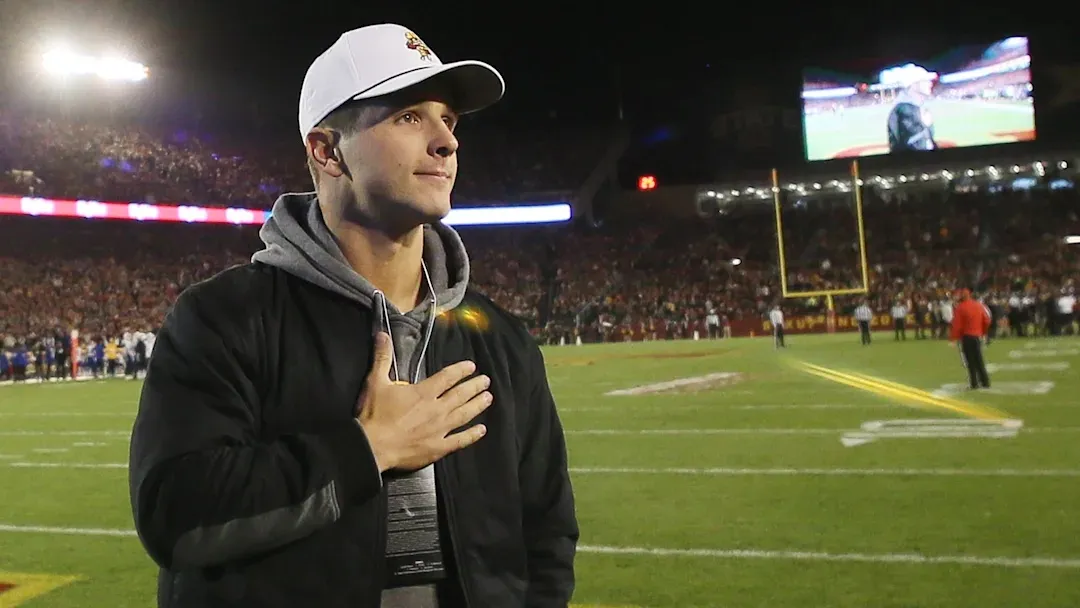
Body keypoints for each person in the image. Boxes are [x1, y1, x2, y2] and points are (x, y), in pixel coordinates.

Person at [128, 24, 578, 608]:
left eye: (450, 120)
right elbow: (175, 516)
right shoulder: (226, 317)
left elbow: (546, 533)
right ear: (325, 150)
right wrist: (367, 448)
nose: (446, 141)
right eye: (410, 117)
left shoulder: (499, 338)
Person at [950, 288, 991, 390]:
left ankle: (974, 383)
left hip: (966, 337)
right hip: (977, 336)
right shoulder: (978, 305)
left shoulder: (960, 308)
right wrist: (983, 332)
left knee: (970, 361)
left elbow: (957, 325)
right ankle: (985, 381)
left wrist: (954, 338)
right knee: (979, 359)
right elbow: (986, 320)